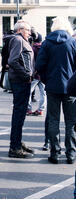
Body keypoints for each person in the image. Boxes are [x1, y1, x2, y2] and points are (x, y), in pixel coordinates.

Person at [36, 16, 76, 164]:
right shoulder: (73, 42)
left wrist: (47, 79)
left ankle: (55, 153)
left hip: (53, 86)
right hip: (71, 88)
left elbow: (40, 65)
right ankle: (71, 154)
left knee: (53, 120)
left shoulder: (47, 43)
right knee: (71, 122)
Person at [7, 20, 35, 159]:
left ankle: (17, 142)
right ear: (19, 30)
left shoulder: (21, 40)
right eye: (28, 30)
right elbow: (12, 61)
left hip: (21, 81)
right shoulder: (18, 40)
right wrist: (26, 75)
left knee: (20, 113)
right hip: (20, 81)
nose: (30, 32)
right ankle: (15, 147)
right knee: (19, 113)